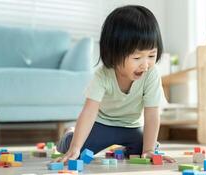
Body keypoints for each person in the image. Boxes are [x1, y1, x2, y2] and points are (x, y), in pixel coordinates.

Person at [57, 5, 175, 163]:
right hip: (102, 124)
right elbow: (89, 112)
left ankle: (126, 148)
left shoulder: (151, 74)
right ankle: (68, 136)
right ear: (114, 54)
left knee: (149, 148)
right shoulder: (103, 74)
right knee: (77, 149)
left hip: (132, 127)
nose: (145, 65)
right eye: (137, 57)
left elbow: (152, 114)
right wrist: (75, 147)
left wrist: (148, 149)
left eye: (151, 55)